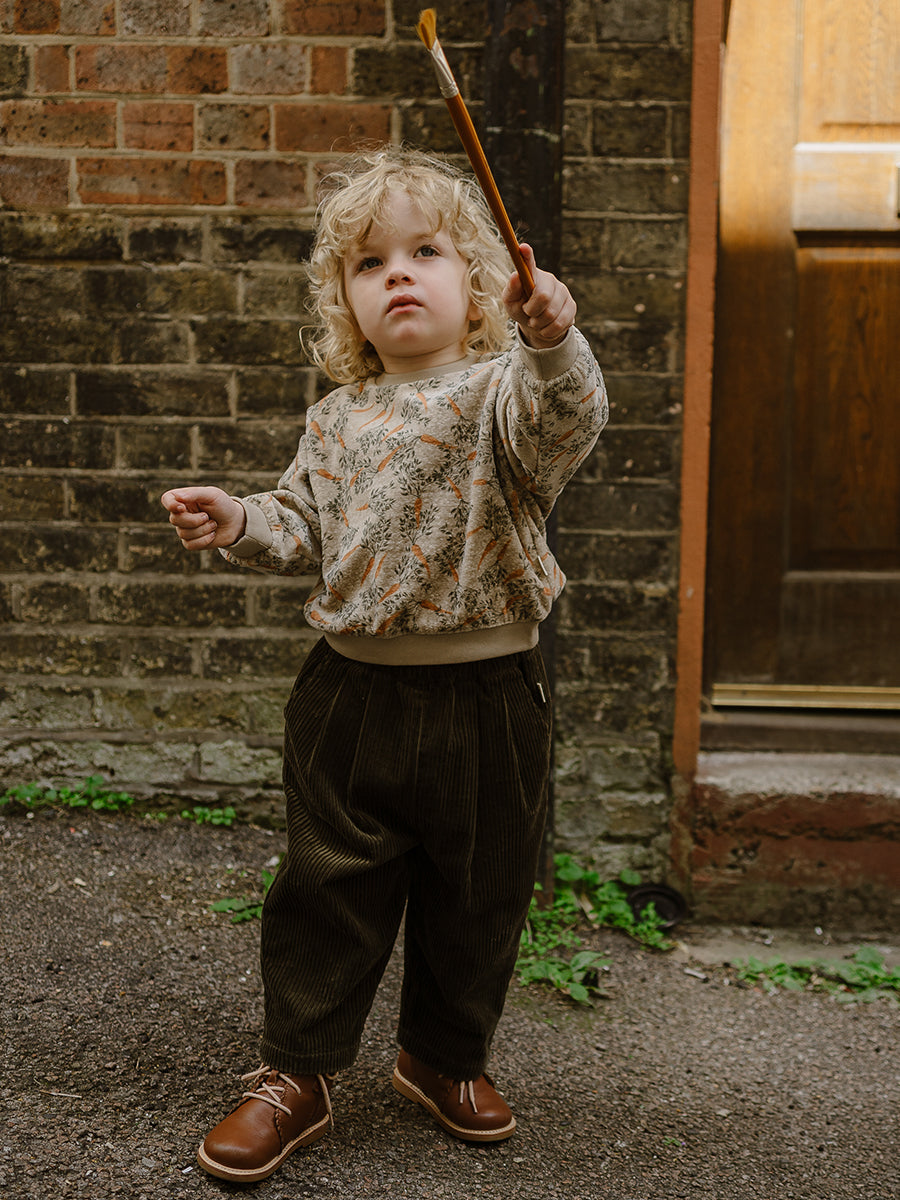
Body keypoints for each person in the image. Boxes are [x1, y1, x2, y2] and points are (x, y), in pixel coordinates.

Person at [161, 145, 608, 1184]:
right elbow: (302, 524)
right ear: (347, 304)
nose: (398, 272)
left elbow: (567, 423)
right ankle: (297, 1072)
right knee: (328, 888)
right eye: (370, 263)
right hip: (352, 696)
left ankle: (442, 1056)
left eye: (425, 252)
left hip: (492, 695)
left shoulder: (506, 393)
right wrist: (239, 520)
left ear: (482, 284)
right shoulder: (337, 419)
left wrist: (554, 341)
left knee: (481, 892)